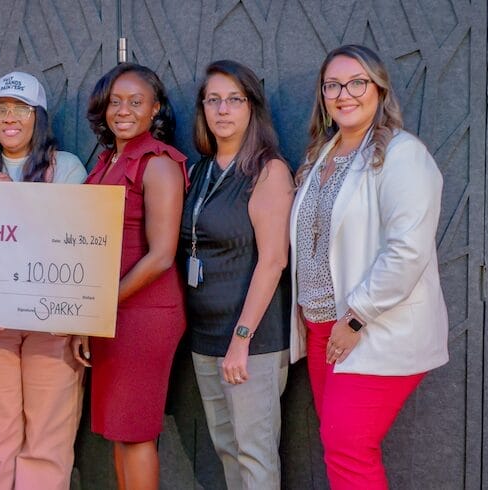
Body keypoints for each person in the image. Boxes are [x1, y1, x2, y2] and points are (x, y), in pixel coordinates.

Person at [290, 44, 449, 489]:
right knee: (340, 447)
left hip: (371, 328)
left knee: (347, 448)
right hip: (322, 329)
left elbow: (408, 250)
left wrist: (357, 318)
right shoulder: (321, 155)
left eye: (357, 82)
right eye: (333, 85)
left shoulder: (402, 155)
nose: (345, 94)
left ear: (379, 90)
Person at [0, 71, 87, 490]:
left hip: (50, 324)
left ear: (39, 117)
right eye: (2, 109)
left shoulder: (66, 168)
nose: (9, 118)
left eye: (20, 109)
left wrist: (12, 202)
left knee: (48, 442)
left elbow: (76, 244)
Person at [71, 63, 187, 489]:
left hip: (144, 316)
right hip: (112, 312)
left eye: (136, 102)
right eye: (115, 101)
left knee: (135, 435)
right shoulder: (107, 162)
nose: (124, 110)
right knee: (120, 432)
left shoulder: (158, 163)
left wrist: (97, 308)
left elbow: (161, 256)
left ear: (154, 108)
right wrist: (90, 316)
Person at [179, 60, 293, 489]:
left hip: (251, 341)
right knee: (227, 447)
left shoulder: (268, 170)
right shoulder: (200, 170)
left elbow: (273, 261)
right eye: (213, 100)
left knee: (254, 454)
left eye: (234, 100)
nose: (222, 109)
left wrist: (241, 341)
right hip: (205, 336)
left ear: (251, 108)